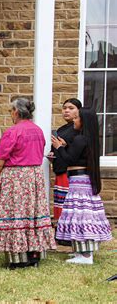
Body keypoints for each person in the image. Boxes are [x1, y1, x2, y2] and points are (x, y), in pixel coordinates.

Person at [0, 98, 55, 269]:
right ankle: (34, 254)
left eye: (11, 110)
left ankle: (18, 257)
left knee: (15, 213)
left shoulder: (13, 132)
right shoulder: (38, 131)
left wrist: (1, 175)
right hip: (34, 175)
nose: (10, 114)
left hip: (15, 176)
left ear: (16, 112)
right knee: (33, 214)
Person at [52, 108, 112, 265]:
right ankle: (81, 252)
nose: (74, 121)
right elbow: (75, 155)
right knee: (81, 215)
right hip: (82, 181)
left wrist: (59, 148)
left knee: (81, 216)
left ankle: (86, 255)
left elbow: (69, 160)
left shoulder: (80, 139)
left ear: (83, 121)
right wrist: (65, 146)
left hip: (79, 182)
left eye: (77, 118)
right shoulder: (87, 139)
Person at [47, 98, 82, 245]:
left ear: (78, 111)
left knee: (68, 205)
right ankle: (61, 233)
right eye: (64, 108)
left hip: (71, 172)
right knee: (59, 204)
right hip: (59, 169)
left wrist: (63, 146)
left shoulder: (79, 130)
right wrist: (52, 155)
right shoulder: (62, 129)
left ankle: (69, 235)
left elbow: (77, 152)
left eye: (71, 108)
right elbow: (57, 148)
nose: (66, 110)